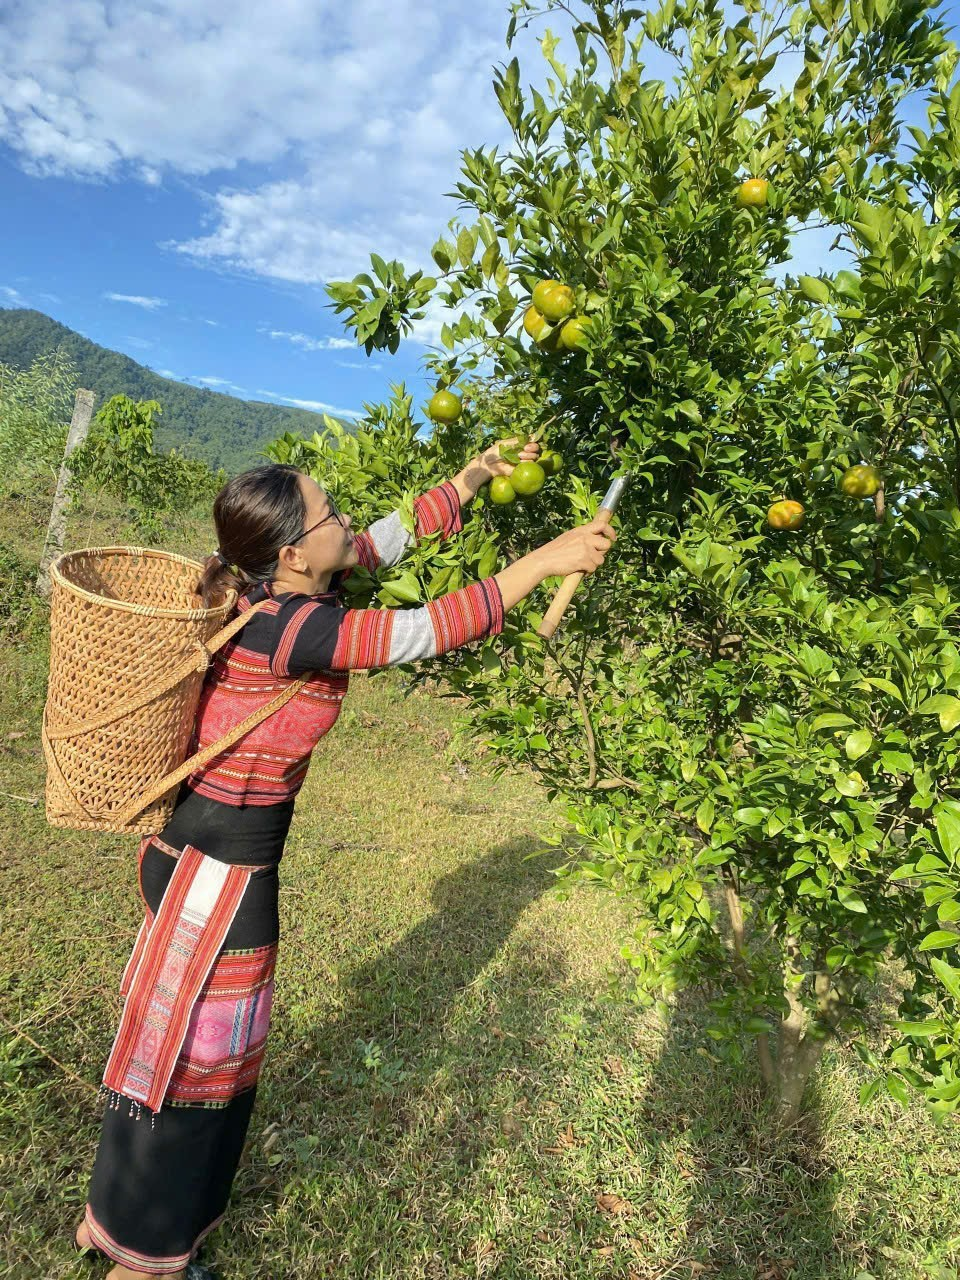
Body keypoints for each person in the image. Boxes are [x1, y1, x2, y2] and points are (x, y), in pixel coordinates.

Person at [74, 438, 617, 1279]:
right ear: (293, 553)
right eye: (329, 514)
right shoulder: (301, 628)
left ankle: (111, 1220)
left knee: (165, 1035)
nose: (346, 523)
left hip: (188, 852)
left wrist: (472, 478)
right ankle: (143, 1261)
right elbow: (421, 632)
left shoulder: (263, 591)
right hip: (221, 874)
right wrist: (541, 563)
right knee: (198, 1062)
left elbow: (383, 543)